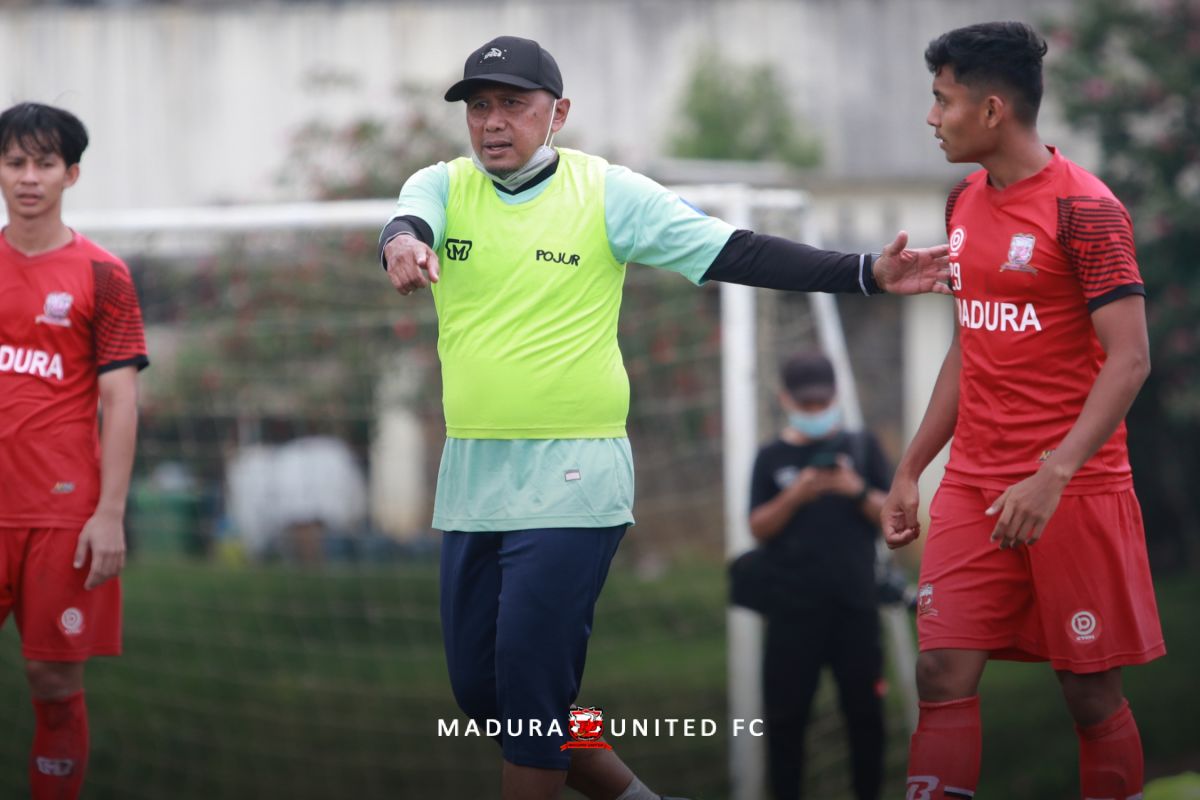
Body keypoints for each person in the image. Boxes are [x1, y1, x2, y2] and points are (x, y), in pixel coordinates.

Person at [378, 35, 950, 800]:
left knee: (527, 690)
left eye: (513, 104)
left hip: (573, 475)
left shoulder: (607, 193)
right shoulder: (443, 185)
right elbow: (405, 221)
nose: (492, 122)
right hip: (473, 477)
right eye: (479, 106)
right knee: (485, 696)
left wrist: (863, 273)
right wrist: (402, 244)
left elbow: (736, 252)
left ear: (559, 113)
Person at [882, 22, 1164, 800]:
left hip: (1073, 487)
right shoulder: (962, 202)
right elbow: (969, 346)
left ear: (994, 109)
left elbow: (1130, 358)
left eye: (943, 101)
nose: (932, 118)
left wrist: (1053, 475)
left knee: (1089, 692)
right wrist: (912, 469)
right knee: (939, 668)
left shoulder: (1088, 211)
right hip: (975, 482)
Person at [0, 102, 148, 799]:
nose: (29, 177)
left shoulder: (103, 275)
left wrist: (110, 513)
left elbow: (120, 400)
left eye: (44, 163)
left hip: (63, 514)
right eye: (15, 162)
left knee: (52, 678)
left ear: (71, 172)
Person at [747, 352, 891, 800]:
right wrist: (796, 494)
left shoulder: (863, 448)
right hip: (791, 615)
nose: (815, 412)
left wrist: (856, 489)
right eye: (805, 404)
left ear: (836, 397)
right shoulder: (771, 458)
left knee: (866, 719)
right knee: (786, 722)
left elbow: (894, 517)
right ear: (785, 399)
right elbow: (757, 526)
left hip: (855, 609)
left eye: (821, 403)